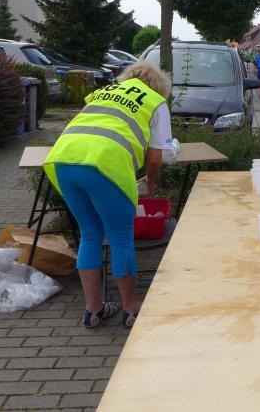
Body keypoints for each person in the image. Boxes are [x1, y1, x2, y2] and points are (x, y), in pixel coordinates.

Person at [43, 61, 174, 329]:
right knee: (121, 239)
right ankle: (131, 310)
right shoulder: (155, 101)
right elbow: (156, 156)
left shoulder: (102, 93)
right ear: (159, 86)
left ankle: (93, 310)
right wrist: (150, 181)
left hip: (64, 160)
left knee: (90, 235)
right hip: (105, 166)